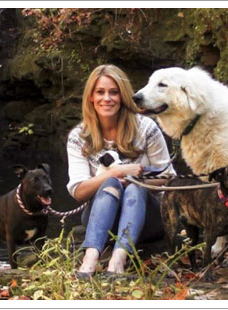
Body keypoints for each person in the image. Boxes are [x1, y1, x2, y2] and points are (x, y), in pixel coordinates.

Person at [66, 64, 175, 278]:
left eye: (113, 92)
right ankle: (90, 259)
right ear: (91, 97)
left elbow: (170, 177)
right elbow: (78, 191)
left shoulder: (146, 128)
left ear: (123, 96)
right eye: (100, 92)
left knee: (134, 189)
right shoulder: (79, 136)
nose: (107, 98)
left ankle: (118, 259)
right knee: (111, 184)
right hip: (102, 218)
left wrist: (137, 180)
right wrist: (114, 174)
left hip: (148, 220)